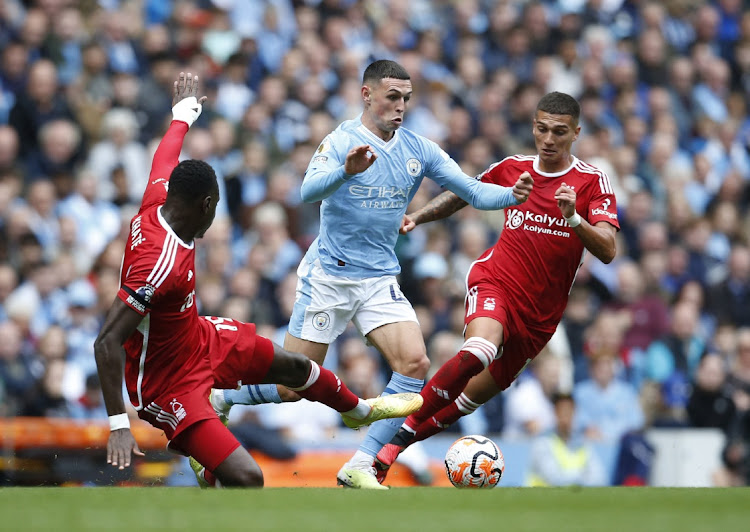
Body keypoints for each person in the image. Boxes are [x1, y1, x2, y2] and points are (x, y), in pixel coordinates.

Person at [210, 59, 533, 489]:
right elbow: (307, 191)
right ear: (367, 95)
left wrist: (513, 194)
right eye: (392, 97)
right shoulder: (342, 139)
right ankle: (225, 396)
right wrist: (346, 170)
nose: (401, 107)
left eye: (406, 99)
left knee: (415, 363)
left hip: (378, 279)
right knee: (294, 385)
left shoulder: (418, 148)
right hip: (329, 277)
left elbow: (472, 190)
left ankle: (361, 463)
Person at [93, 72, 423, 488]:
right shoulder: (158, 265)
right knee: (249, 479)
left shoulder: (158, 198)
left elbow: (164, 157)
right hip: (167, 381)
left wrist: (184, 113)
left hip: (198, 337)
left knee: (295, 364)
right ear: (206, 204)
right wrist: (118, 423)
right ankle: (208, 461)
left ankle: (356, 410)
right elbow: (106, 341)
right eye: (215, 212)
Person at [376, 91, 619, 485]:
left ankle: (395, 444)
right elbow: (465, 193)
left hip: (540, 317)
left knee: (467, 401)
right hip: (497, 281)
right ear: (533, 128)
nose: (549, 139)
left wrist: (574, 218)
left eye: (559, 132)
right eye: (541, 129)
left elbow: (608, 249)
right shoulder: (513, 168)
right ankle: (391, 443)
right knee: (479, 351)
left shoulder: (591, 182)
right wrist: (418, 216)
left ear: (576, 133)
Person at [526, 393, 607, 487]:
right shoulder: (542, 443)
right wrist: (583, 475)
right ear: (555, 413)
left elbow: (600, 478)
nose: (565, 416)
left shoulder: (583, 443)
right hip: (543, 500)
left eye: (569, 411)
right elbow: (555, 479)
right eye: (562, 411)